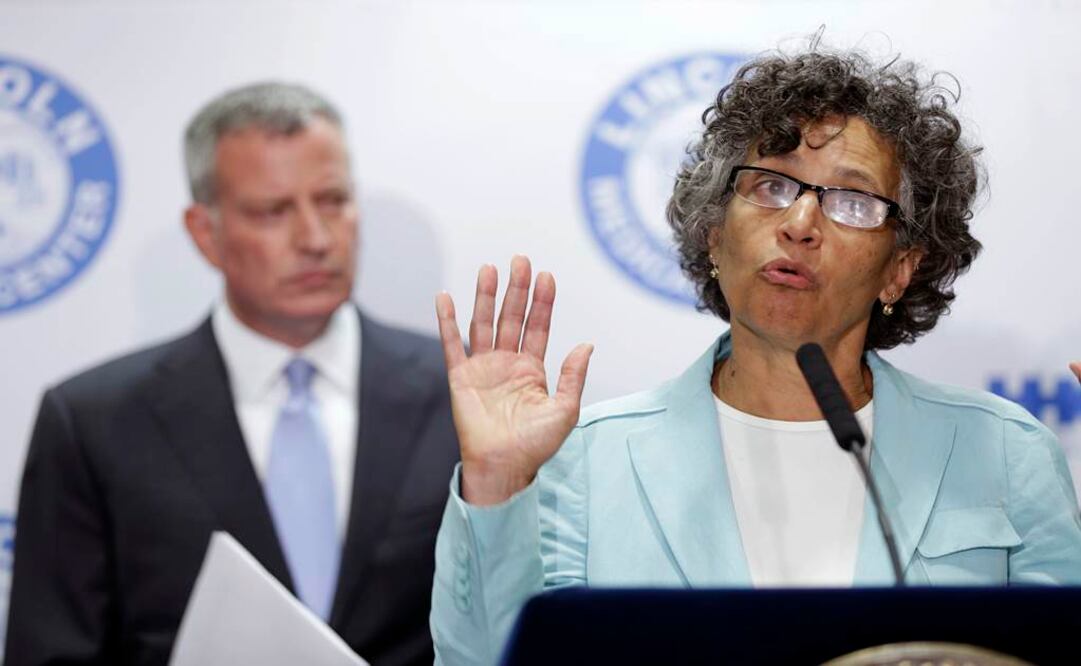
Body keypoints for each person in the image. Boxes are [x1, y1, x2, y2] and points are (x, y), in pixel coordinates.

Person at [428, 47, 1081, 664]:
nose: (799, 223)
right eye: (770, 187)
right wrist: (496, 483)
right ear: (714, 236)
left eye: (852, 201)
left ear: (898, 270)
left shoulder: (1003, 451)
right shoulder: (585, 462)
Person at [5, 82, 458, 665]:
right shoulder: (93, 424)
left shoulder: (461, 392)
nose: (316, 238)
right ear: (205, 233)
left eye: (333, 200)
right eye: (273, 211)